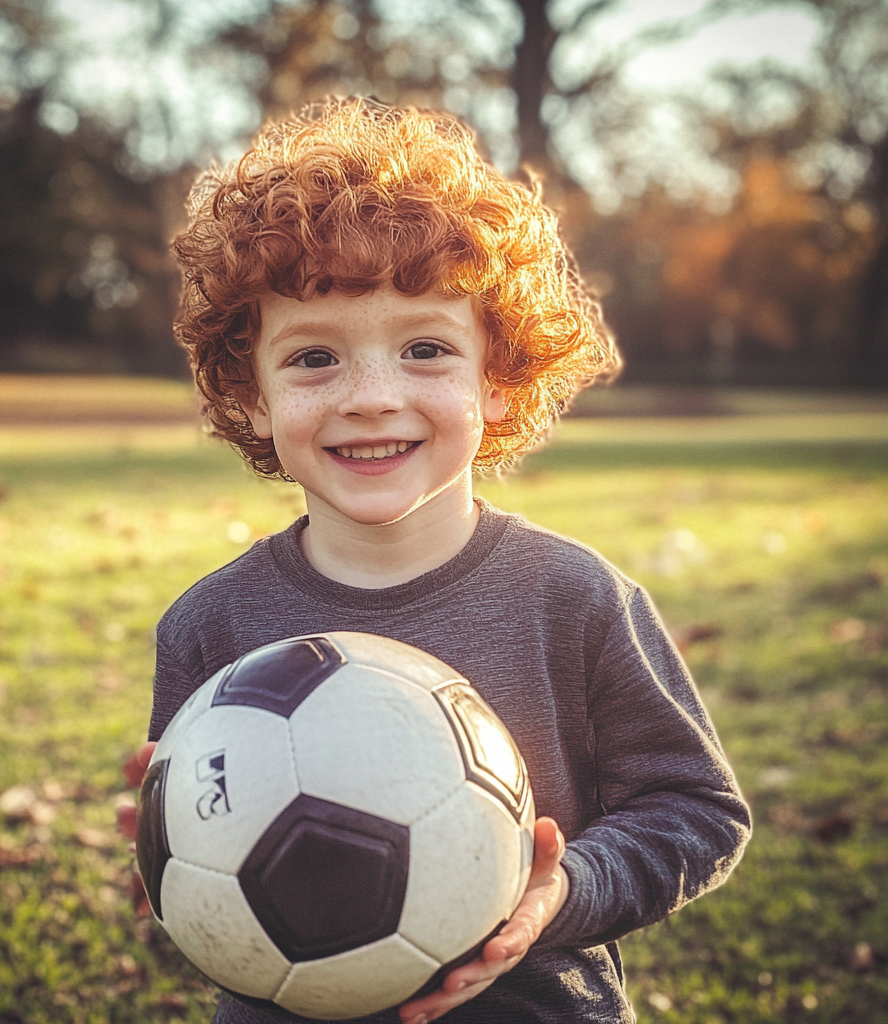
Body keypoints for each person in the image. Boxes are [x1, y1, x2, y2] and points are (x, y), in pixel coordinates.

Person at [119, 97, 751, 1024]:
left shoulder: (574, 599)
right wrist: (170, 863)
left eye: (425, 349)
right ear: (247, 393)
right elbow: (206, 858)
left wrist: (559, 888)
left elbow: (696, 810)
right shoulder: (209, 626)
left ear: (495, 380)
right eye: (313, 360)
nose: (373, 397)